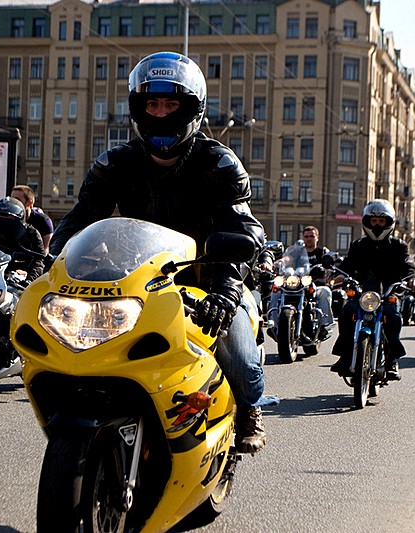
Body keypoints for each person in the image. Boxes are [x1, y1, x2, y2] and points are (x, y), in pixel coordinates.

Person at [48, 51, 267, 454]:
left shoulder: (219, 164)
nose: (162, 114)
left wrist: (225, 292)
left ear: (191, 109)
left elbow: (243, 230)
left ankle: (249, 411)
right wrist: (52, 264)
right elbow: (79, 218)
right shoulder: (116, 162)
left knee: (236, 351)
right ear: (139, 108)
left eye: (172, 104)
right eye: (152, 103)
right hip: (135, 283)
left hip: (207, 281)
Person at [330, 199, 415, 381]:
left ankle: (392, 359)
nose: (377, 225)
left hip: (388, 293)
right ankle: (346, 355)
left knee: (392, 315)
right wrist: (337, 275)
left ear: (389, 223)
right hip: (363, 292)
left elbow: (408, 265)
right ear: (367, 222)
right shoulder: (358, 245)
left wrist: (413, 278)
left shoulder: (398, 246)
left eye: (381, 221)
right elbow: (347, 265)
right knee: (347, 312)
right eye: (373, 221)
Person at [267, 225, 334, 342]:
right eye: (306, 236)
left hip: (314, 285)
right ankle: (274, 324)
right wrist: (279, 262)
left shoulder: (321, 252)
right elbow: (288, 259)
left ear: (317, 238)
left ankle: (325, 325)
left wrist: (324, 267)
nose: (309, 239)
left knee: (325, 292)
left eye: (312, 236)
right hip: (296, 285)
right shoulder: (297, 252)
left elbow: (328, 263)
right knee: (275, 292)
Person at [0, 197, 47, 282]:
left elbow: (39, 261)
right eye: (1, 217)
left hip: (19, 284)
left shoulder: (31, 234)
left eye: (9, 218)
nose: (4, 222)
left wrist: (29, 281)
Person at [10, 184, 53, 254]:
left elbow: (46, 250)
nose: (13, 203)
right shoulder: (10, 218)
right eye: (12, 200)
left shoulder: (43, 221)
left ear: (29, 203)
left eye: (17, 200)